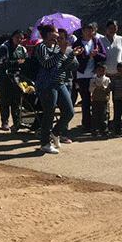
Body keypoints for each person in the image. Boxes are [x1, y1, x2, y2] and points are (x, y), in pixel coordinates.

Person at [34, 25, 82, 154]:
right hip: (47, 84)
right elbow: (46, 63)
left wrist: (72, 54)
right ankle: (44, 143)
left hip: (60, 83)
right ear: (49, 34)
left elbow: (64, 66)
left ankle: (55, 133)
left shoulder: (57, 48)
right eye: (55, 32)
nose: (57, 35)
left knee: (69, 112)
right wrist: (61, 51)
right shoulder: (41, 47)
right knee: (49, 113)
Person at [73, 22, 108, 133]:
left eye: (92, 30)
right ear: (82, 31)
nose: (89, 33)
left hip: (95, 74)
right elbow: (76, 61)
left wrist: (96, 55)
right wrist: (89, 56)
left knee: (98, 99)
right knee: (86, 100)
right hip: (83, 75)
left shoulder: (96, 41)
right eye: (87, 30)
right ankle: (86, 124)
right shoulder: (77, 43)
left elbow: (104, 56)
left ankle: (98, 123)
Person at [0, 29, 28, 132]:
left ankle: (16, 122)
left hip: (18, 79)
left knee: (16, 101)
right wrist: (15, 62)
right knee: (5, 101)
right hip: (4, 78)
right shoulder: (4, 48)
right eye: (17, 37)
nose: (19, 40)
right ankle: (4, 122)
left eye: (21, 38)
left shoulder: (22, 49)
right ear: (12, 37)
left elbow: (26, 61)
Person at [89, 63, 111, 137]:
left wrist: (103, 87)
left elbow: (108, 90)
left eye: (103, 70)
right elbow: (90, 90)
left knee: (104, 116)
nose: (101, 72)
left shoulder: (107, 79)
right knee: (95, 116)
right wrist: (94, 85)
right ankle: (94, 130)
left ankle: (104, 130)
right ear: (95, 71)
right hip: (95, 100)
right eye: (99, 70)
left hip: (104, 100)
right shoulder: (93, 80)